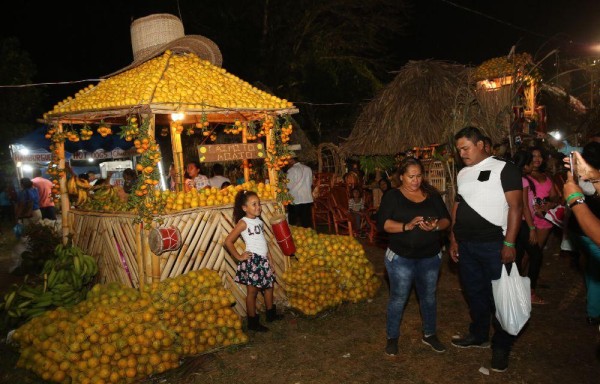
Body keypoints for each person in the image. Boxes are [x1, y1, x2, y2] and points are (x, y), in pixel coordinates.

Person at [449, 126, 522, 372]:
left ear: (481, 144)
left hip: (494, 245)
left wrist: (510, 243)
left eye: (465, 148)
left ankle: (501, 346)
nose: (462, 153)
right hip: (467, 246)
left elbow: (516, 208)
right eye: (459, 150)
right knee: (474, 293)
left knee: (499, 297)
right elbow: (458, 205)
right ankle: (479, 334)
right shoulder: (463, 174)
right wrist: (453, 238)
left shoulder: (505, 168)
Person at [377, 157, 451, 356]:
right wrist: (407, 226)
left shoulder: (431, 195)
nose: (416, 181)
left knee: (428, 298)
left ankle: (429, 334)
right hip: (401, 258)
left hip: (430, 257)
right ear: (401, 176)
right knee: (398, 298)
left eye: (419, 176)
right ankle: (392, 337)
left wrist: (435, 225)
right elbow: (382, 224)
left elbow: (446, 220)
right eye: (411, 177)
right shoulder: (392, 196)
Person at [224, 190, 282, 332]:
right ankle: (252, 322)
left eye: (259, 204)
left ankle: (270, 314)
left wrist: (271, 262)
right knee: (253, 292)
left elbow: (263, 243)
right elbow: (228, 241)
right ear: (245, 208)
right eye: (254, 204)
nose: (258, 207)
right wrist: (239, 257)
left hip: (263, 259)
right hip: (253, 261)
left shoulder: (259, 221)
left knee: (269, 287)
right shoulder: (243, 223)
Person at [563, 144, 600, 325]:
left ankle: (593, 309)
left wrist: (575, 200)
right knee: (593, 268)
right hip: (581, 230)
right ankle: (594, 311)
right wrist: (594, 177)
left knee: (594, 269)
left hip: (584, 229)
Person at [512, 151, 546, 305]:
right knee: (536, 255)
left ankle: (517, 291)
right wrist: (532, 228)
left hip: (517, 223)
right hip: (524, 223)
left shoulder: (513, 178)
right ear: (525, 165)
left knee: (518, 257)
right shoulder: (523, 181)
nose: (533, 164)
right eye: (530, 162)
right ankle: (530, 291)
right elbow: (524, 205)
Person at [527, 146, 559, 253]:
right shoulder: (524, 175)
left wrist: (551, 204)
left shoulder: (547, 175)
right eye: (534, 156)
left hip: (544, 216)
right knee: (525, 252)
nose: (537, 159)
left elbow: (554, 195)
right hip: (528, 217)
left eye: (539, 156)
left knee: (536, 250)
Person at [286, 155, 313, 228]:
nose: (286, 162)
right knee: (306, 221)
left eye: (288, 160)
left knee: (293, 222)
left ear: (292, 160)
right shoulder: (308, 169)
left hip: (295, 199)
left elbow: (288, 185)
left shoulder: (291, 170)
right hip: (307, 198)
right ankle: (309, 236)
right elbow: (310, 183)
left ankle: (294, 236)